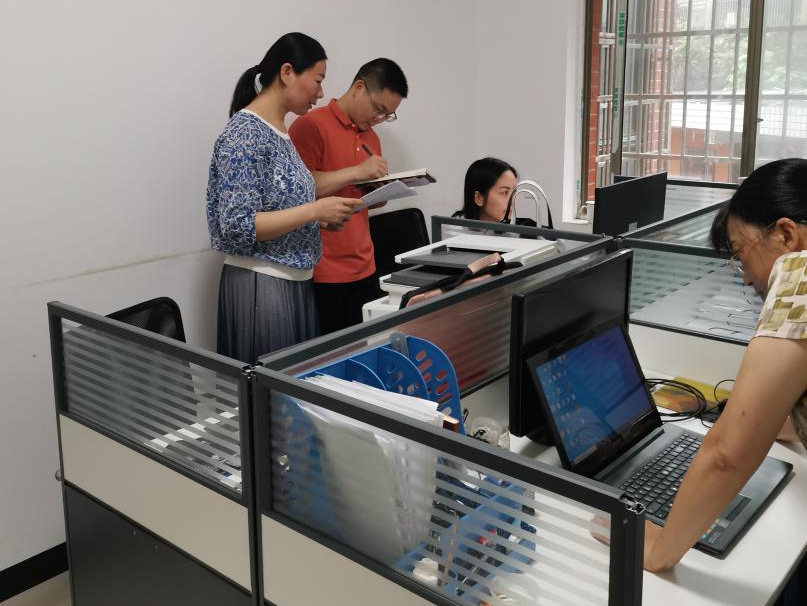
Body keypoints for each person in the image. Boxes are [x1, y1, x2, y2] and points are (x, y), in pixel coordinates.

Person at [639, 158, 807, 575]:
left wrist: (658, 551)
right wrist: (761, 417)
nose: (746, 278)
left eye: (740, 254)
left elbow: (726, 457)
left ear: (786, 234)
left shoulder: (800, 276)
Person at [206, 32, 361, 363]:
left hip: (292, 283)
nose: (321, 93)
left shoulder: (279, 132)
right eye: (318, 80)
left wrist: (319, 218)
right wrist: (313, 211)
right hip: (262, 286)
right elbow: (237, 225)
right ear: (287, 72)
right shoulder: (245, 134)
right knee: (273, 391)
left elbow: (278, 208)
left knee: (293, 386)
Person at [289, 58, 408, 334]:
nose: (378, 119)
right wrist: (356, 172)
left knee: (364, 347)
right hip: (322, 270)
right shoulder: (310, 125)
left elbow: (359, 197)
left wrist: (380, 191)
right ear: (358, 88)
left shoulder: (372, 137)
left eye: (387, 115)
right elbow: (297, 189)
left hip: (364, 264)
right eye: (378, 109)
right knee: (327, 353)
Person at [441, 157, 518, 240]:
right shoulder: (453, 231)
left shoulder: (512, 231)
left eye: (514, 192)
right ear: (479, 198)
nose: (513, 200)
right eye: (505, 192)